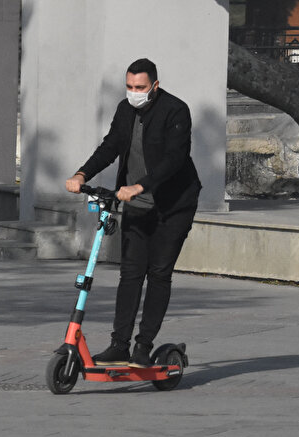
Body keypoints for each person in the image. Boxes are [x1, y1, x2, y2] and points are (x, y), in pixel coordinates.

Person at [65, 58, 201, 366]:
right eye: (129, 86)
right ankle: (119, 344)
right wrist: (82, 174)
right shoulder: (125, 110)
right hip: (136, 206)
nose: (133, 92)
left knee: (159, 273)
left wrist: (140, 186)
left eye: (139, 87)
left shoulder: (175, 111)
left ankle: (143, 346)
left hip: (173, 205)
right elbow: (110, 146)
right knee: (130, 274)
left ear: (154, 85)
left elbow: (174, 158)